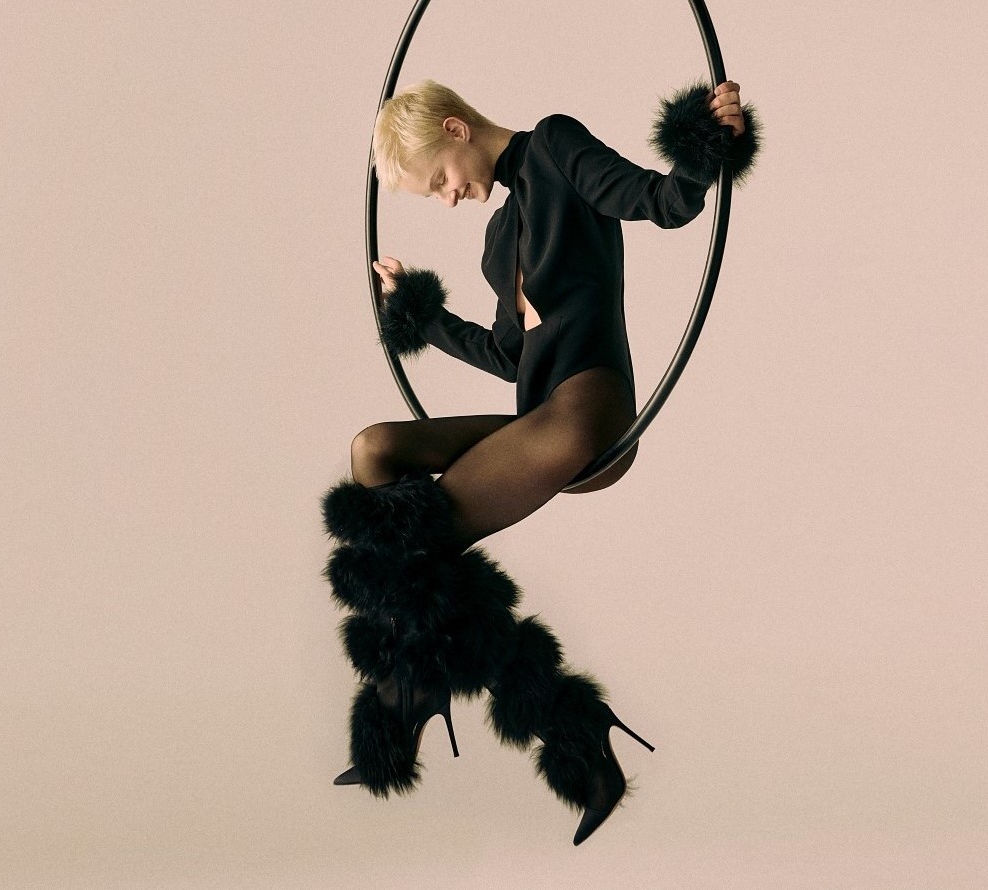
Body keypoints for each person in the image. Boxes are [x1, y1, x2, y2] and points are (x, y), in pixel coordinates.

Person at [320, 78, 760, 845]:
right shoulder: (500, 239)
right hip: (537, 413)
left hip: (587, 417)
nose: (448, 199)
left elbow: (662, 201)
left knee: (409, 542)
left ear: (456, 129)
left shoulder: (556, 148)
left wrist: (706, 145)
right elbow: (507, 354)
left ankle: (408, 690)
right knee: (375, 450)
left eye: (438, 182)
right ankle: (572, 739)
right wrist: (417, 314)